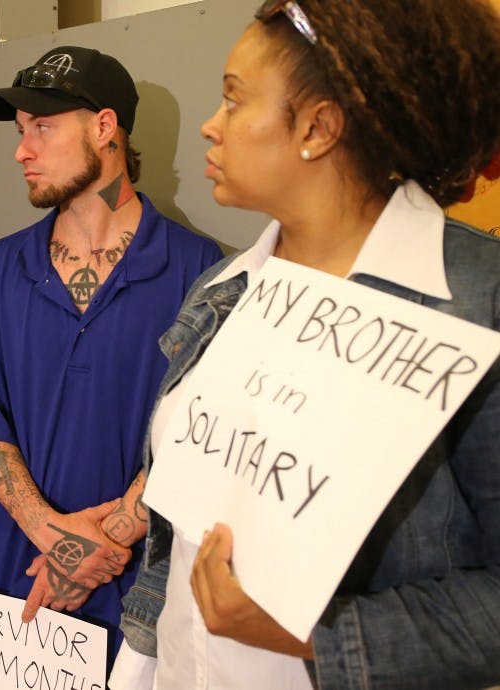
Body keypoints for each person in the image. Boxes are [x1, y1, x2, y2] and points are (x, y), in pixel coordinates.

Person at [110, 1, 500, 688]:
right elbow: (180, 543)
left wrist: (321, 635)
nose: (211, 124)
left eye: (233, 99)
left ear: (319, 127)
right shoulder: (222, 290)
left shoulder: (478, 305)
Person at [0, 45, 223, 670]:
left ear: (105, 128)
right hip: (20, 571)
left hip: (143, 582)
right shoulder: (1, 268)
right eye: (20, 132)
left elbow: (205, 434)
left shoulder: (201, 270)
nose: (22, 151)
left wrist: (104, 543)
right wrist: (55, 537)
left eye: (42, 128)